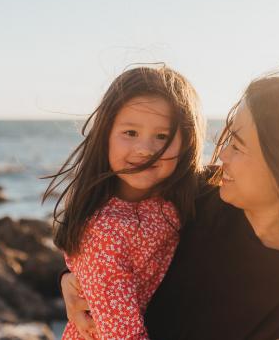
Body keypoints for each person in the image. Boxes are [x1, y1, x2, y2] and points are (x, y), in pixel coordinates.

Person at [62, 68, 279, 339]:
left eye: (237, 145)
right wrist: (73, 279)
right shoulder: (197, 199)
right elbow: (109, 235)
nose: (221, 155)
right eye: (226, 138)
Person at [43, 65, 206, 339]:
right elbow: (124, 336)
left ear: (186, 143)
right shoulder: (104, 232)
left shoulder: (175, 198)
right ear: (105, 135)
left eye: (162, 136)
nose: (145, 149)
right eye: (130, 133)